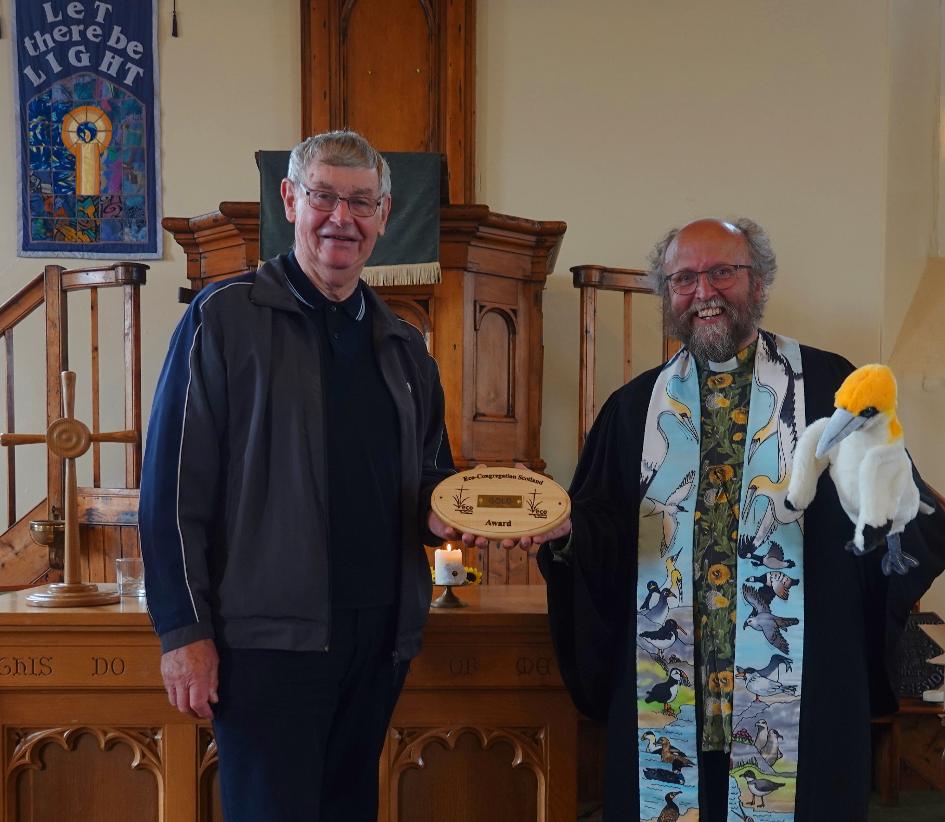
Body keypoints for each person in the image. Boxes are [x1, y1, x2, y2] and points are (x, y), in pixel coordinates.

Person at [532, 218, 945, 821]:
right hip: (672, 688)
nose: (704, 291)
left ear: (759, 283)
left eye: (723, 271)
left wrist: (897, 514)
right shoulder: (633, 408)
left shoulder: (828, 385)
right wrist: (569, 535)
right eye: (684, 278)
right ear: (667, 293)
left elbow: (892, 499)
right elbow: (602, 528)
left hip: (800, 686)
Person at [138, 130, 468, 822]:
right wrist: (182, 633)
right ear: (290, 201)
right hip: (265, 642)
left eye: (360, 203)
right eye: (323, 196)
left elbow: (433, 482)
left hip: (379, 637)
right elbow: (170, 492)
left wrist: (481, 513)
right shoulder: (222, 319)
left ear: (383, 216)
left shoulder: (404, 346)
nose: (341, 219)